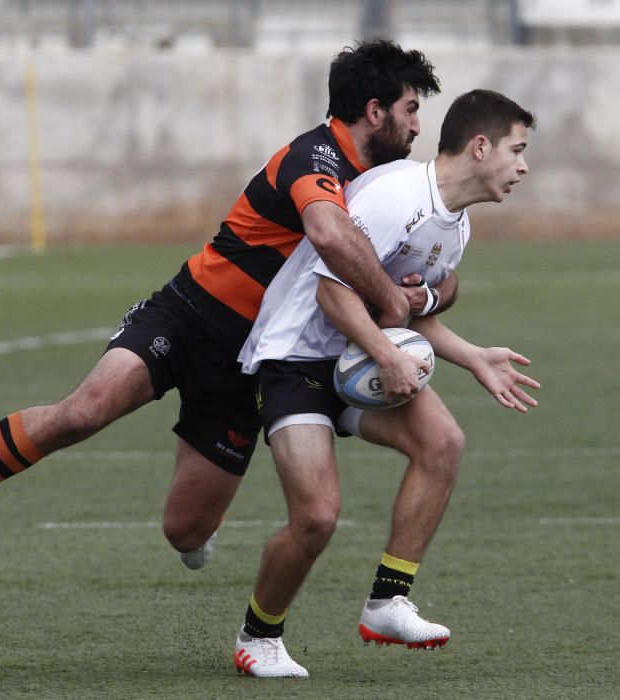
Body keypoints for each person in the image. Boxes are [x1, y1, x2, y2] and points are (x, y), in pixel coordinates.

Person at [0, 40, 445, 572]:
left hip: (251, 362)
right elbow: (327, 233)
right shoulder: (314, 157)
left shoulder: (387, 186)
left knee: (185, 531)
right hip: (188, 314)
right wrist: (392, 298)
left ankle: (196, 531)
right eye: (411, 109)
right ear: (375, 111)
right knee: (81, 413)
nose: (418, 125)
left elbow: (433, 272)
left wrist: (425, 292)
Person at [231, 90, 540, 678]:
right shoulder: (396, 194)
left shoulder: (458, 228)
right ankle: (259, 636)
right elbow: (332, 291)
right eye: (517, 151)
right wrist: (387, 356)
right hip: (294, 357)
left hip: (355, 357)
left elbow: (404, 308)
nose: (523, 166)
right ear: (480, 147)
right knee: (317, 518)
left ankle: (387, 603)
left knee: (443, 443)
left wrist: (472, 356)